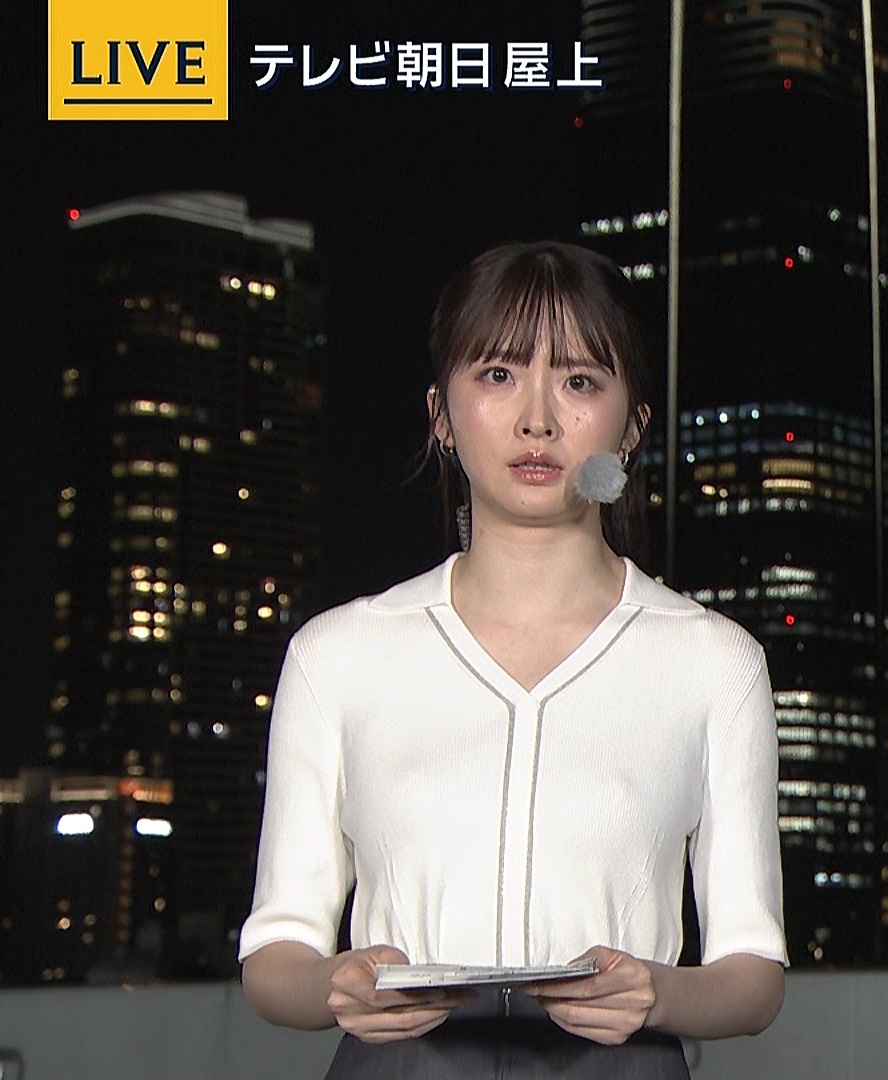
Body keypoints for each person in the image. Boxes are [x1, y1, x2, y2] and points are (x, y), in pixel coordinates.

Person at [237, 241, 787, 1077]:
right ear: (440, 414)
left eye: (580, 382)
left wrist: (656, 995)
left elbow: (753, 975)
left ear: (632, 427)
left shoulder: (715, 662)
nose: (538, 420)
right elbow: (275, 955)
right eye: (497, 374)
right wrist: (335, 985)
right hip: (401, 1065)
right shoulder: (338, 654)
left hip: (619, 1065)